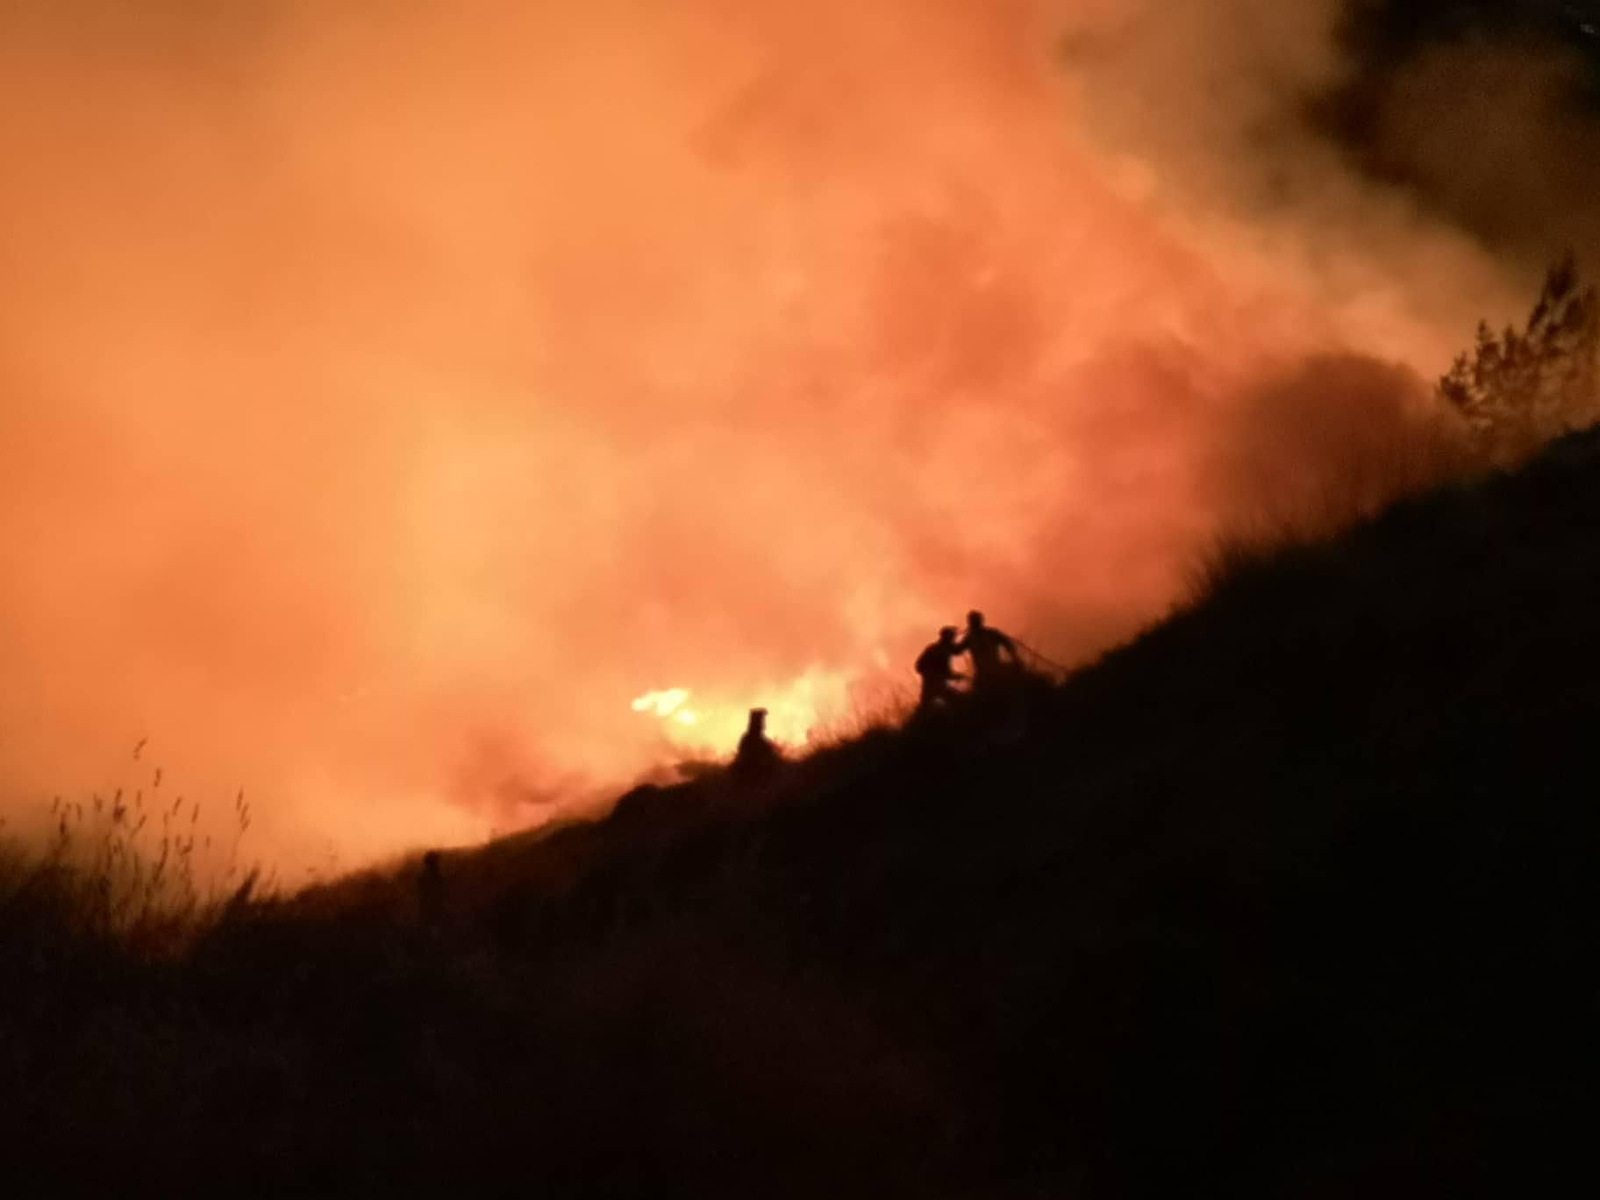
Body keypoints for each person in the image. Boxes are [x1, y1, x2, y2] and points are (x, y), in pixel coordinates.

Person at [960, 610, 1020, 692]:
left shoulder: (974, 637)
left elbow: (957, 650)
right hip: (986, 672)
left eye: (974, 621)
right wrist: (1015, 657)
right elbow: (1008, 644)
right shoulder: (986, 634)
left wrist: (1015, 658)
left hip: (989, 672)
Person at [914, 626, 967, 710]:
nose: (954, 640)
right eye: (952, 637)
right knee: (957, 702)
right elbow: (957, 651)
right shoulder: (942, 650)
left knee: (926, 706)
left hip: (933, 683)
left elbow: (957, 650)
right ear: (948, 638)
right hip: (935, 684)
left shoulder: (934, 648)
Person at [733, 707, 781, 780]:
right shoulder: (750, 739)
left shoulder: (758, 740)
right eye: (761, 720)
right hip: (754, 778)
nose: (764, 723)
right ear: (756, 722)